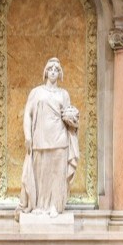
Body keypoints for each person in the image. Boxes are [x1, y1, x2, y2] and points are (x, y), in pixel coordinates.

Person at [18, 58, 80, 216]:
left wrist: (73, 117)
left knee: (58, 174)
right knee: (41, 173)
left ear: (60, 74)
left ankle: (55, 206)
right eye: (50, 69)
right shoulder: (36, 92)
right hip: (40, 138)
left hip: (59, 139)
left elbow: (68, 114)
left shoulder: (63, 94)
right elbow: (27, 114)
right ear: (45, 72)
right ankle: (40, 205)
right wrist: (27, 136)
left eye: (56, 70)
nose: (53, 72)